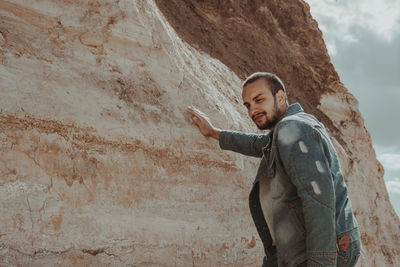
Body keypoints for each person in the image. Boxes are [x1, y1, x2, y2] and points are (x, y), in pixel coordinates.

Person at [186, 72, 361, 267]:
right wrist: (214, 133)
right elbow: (259, 144)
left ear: (280, 97)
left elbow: (318, 200)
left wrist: (321, 261)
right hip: (306, 244)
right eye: (247, 105)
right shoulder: (293, 126)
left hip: (318, 249)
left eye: (259, 100)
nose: (253, 110)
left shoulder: (294, 129)